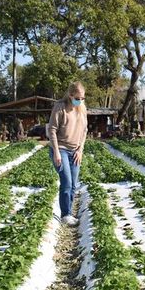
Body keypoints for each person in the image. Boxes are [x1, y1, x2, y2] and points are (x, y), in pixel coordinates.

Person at [48, 81, 88, 226]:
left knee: (73, 185)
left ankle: (69, 212)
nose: (80, 101)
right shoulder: (60, 107)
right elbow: (51, 129)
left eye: (83, 98)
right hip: (61, 149)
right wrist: (56, 152)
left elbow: (84, 131)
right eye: (78, 98)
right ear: (70, 95)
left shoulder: (82, 109)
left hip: (75, 150)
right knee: (66, 182)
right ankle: (65, 215)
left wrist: (80, 150)